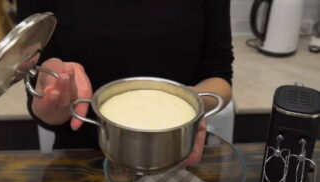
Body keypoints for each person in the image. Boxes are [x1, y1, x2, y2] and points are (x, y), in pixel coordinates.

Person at [16, 0, 234, 166]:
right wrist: (55, 99)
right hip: (84, 158)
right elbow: (38, 88)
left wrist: (191, 106)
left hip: (175, 152)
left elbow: (219, 74)